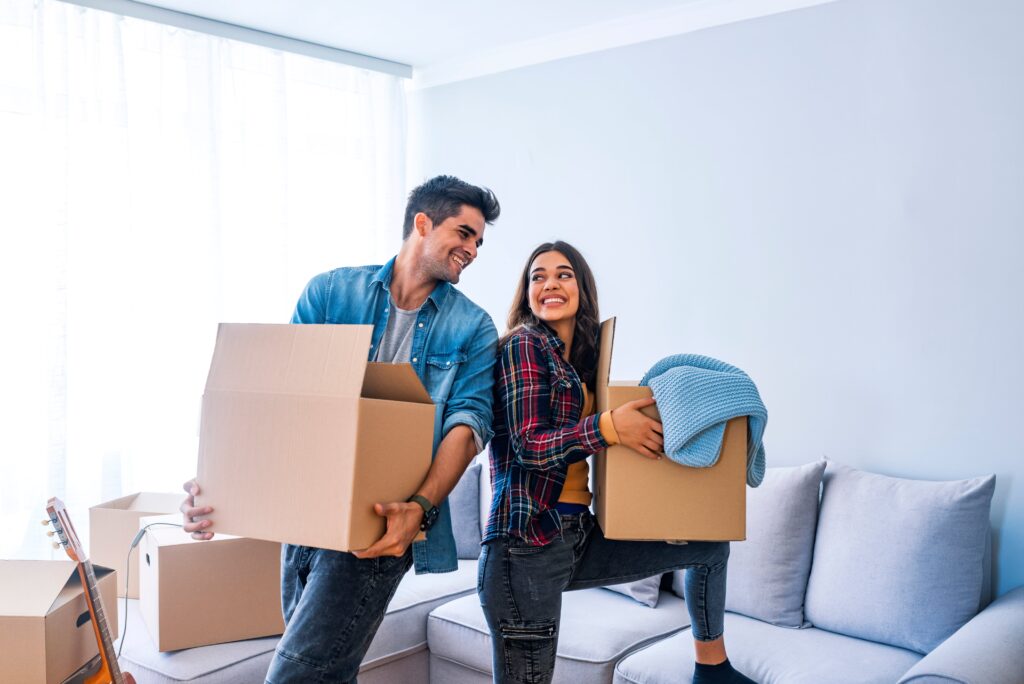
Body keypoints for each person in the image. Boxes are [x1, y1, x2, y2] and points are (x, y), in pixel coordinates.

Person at [180, 175, 501, 684]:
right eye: (464, 233)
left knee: (295, 676)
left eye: (479, 241)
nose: (473, 249)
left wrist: (418, 510)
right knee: (326, 672)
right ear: (423, 223)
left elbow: (468, 425)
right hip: (306, 517)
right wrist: (222, 486)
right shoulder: (330, 292)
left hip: (381, 522)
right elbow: (283, 402)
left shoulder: (475, 328)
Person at [479, 241, 755, 684]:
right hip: (525, 547)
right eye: (538, 276)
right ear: (526, 292)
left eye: (564, 274)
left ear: (582, 288)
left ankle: (712, 669)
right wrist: (608, 428)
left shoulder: (580, 361)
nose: (550, 283)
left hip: (578, 536)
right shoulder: (523, 345)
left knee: (709, 547)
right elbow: (529, 445)